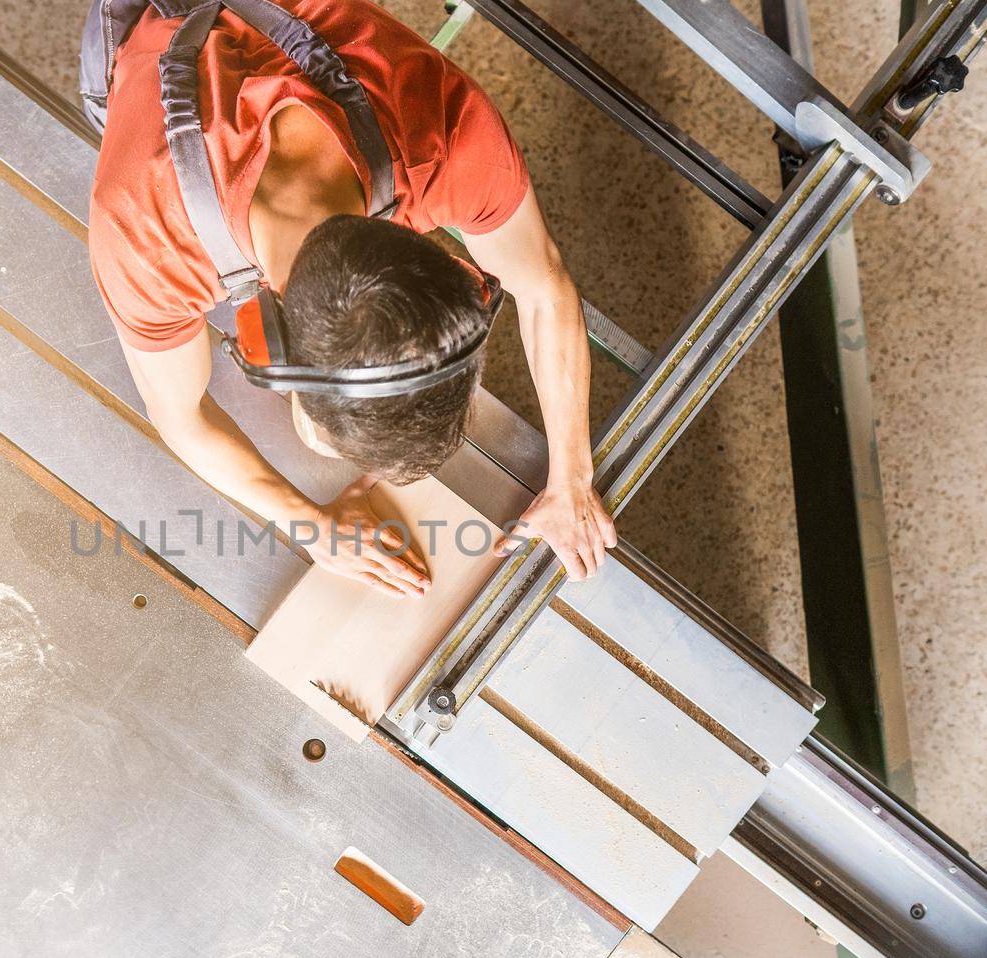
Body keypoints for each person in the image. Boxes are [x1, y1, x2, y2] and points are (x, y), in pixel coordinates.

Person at [84, 0, 616, 599]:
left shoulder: (443, 133)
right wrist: (307, 524)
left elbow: (542, 283)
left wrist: (572, 476)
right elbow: (178, 417)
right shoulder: (144, 234)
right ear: (263, 339)